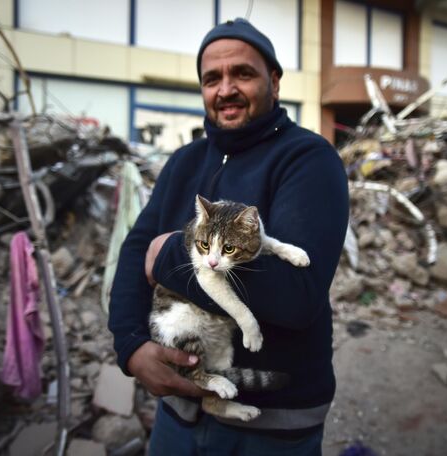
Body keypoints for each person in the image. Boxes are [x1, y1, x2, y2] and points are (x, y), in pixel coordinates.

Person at [108, 18, 349, 455]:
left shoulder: (309, 159)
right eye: (211, 78)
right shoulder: (184, 162)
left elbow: (296, 296)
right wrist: (129, 347)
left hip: (273, 424)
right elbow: (133, 252)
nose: (225, 89)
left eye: (243, 73)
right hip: (177, 415)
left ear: (274, 82)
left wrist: (165, 257)